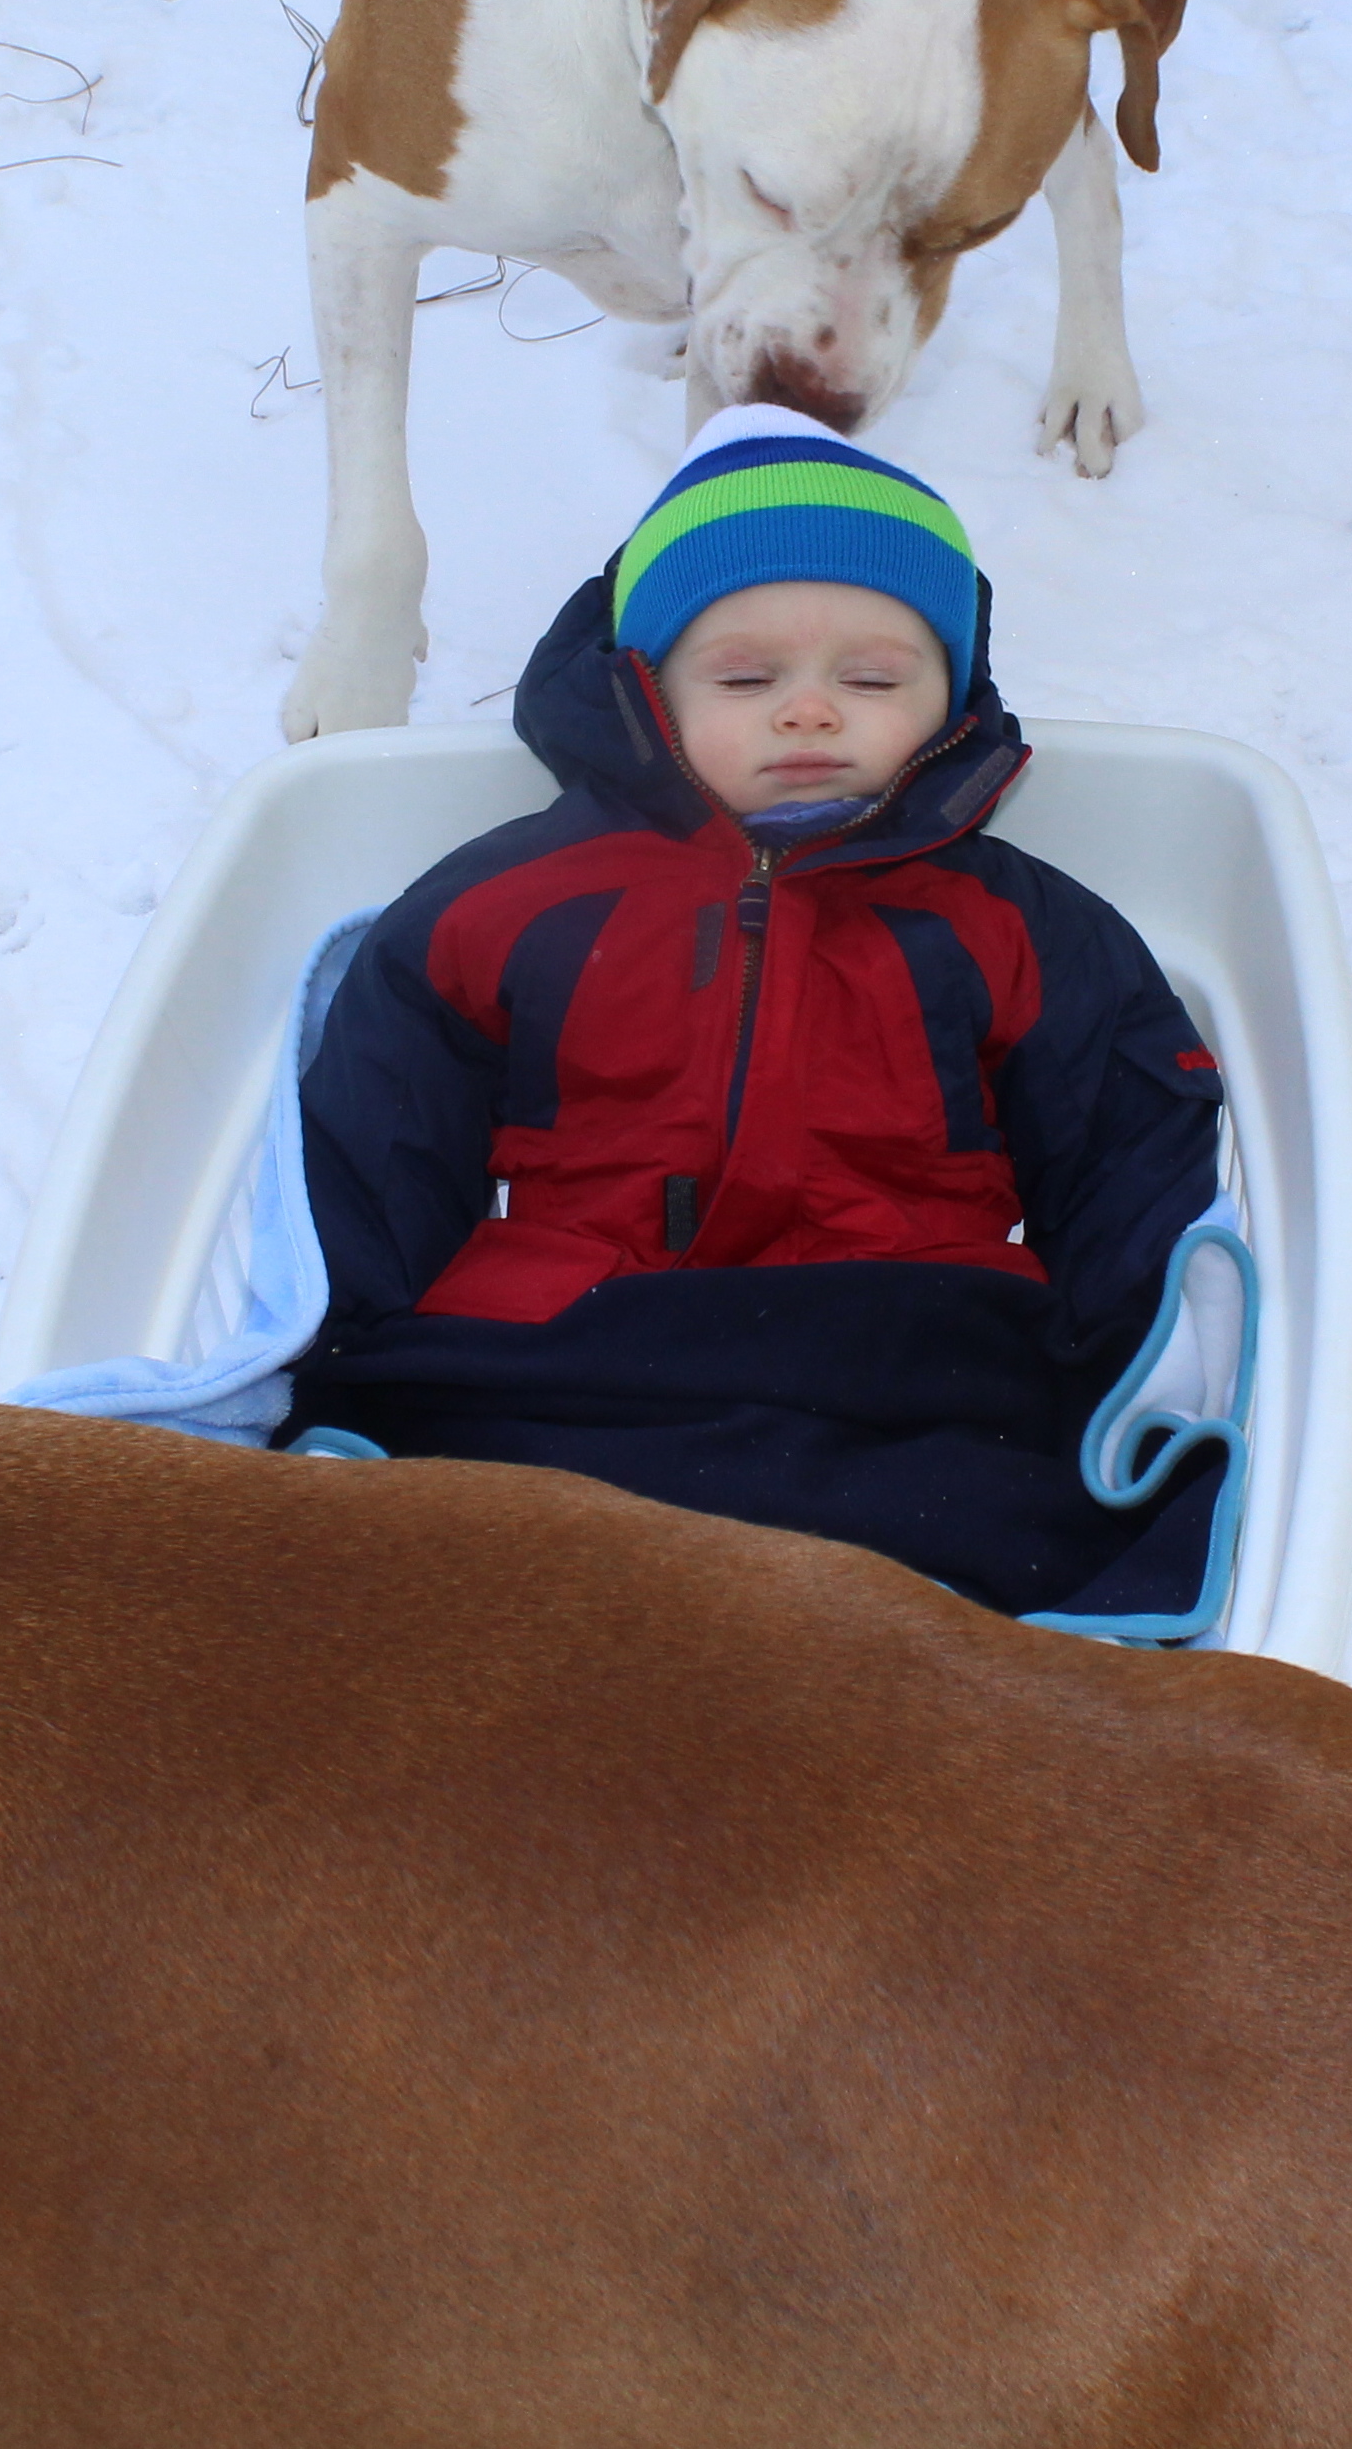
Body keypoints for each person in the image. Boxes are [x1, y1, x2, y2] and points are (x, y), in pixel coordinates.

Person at [283, 408, 1225, 1617]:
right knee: (429, 1543)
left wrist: (1121, 1399)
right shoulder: (503, 904)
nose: (809, 709)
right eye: (744, 677)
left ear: (951, 697)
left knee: (1012, 1541)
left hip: (906, 1367)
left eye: (871, 678)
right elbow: (373, 1147)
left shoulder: (1025, 927)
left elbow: (1122, 1163)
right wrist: (336, 1364)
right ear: (647, 689)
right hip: (561, 1361)